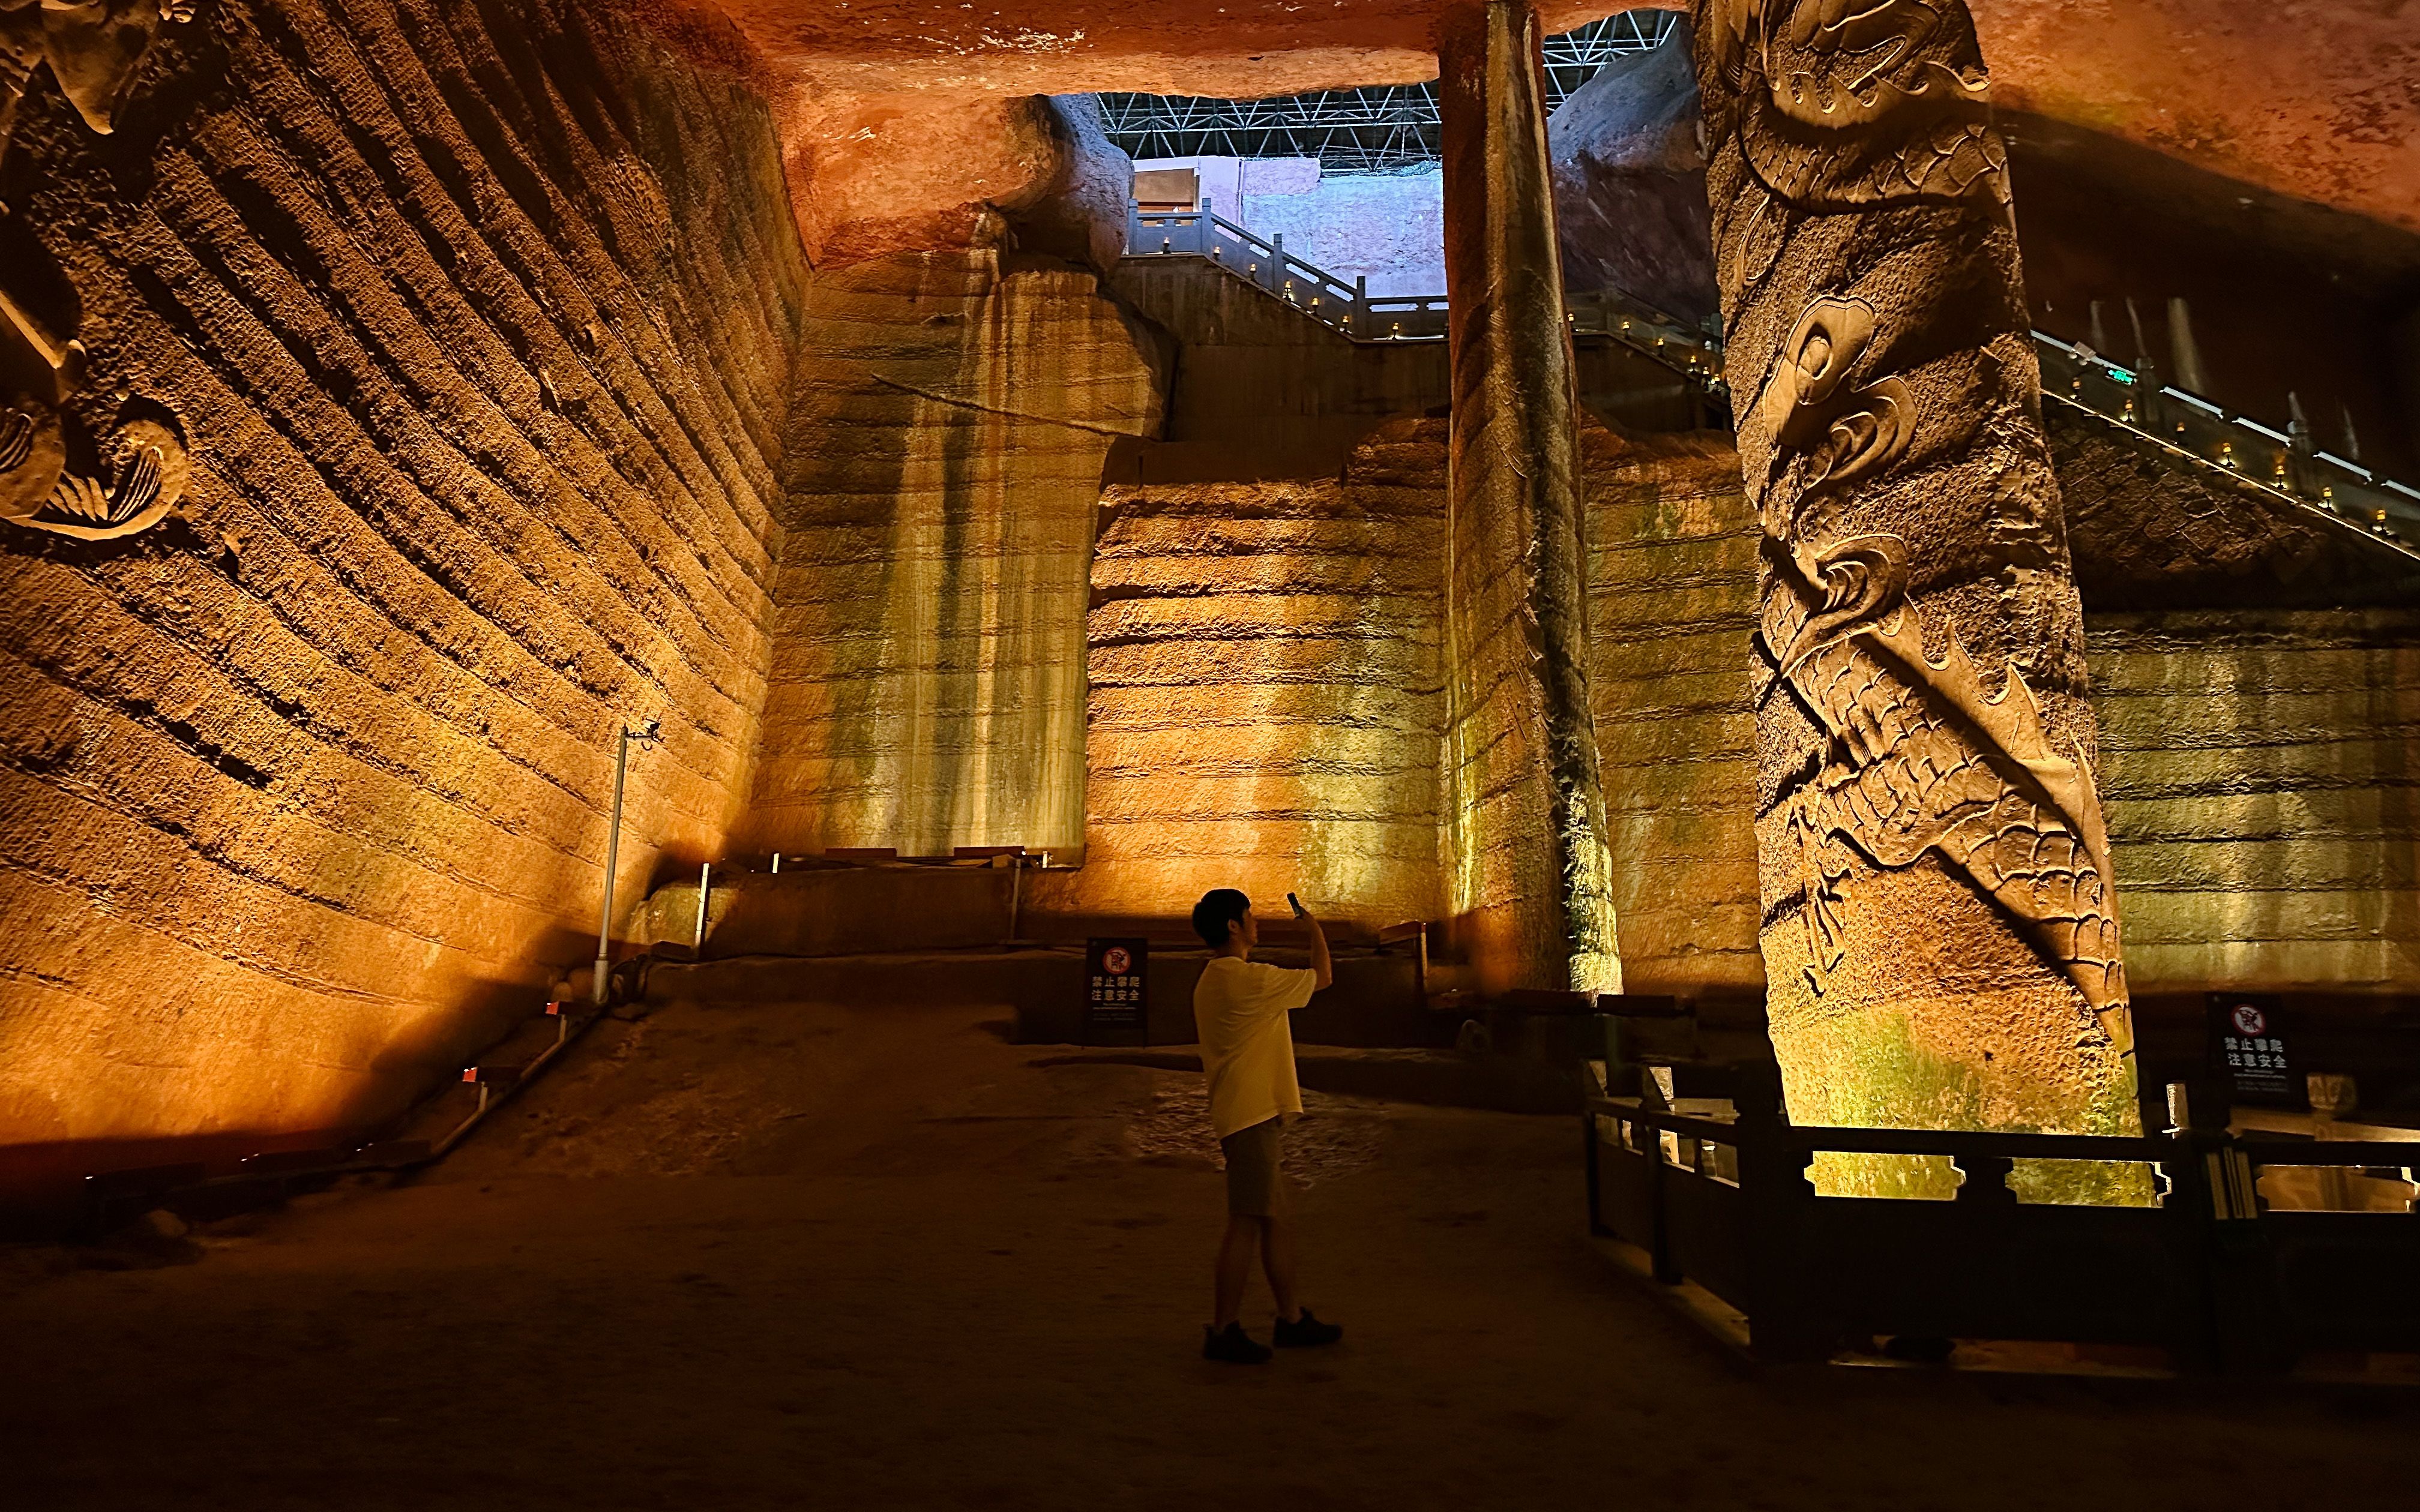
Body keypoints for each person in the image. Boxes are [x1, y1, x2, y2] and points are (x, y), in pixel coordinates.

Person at [1189, 887, 1346, 1364]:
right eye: (1250, 915)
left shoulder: (1214, 980)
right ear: (1234, 926)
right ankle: (1223, 1329)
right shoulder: (1245, 980)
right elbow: (1323, 978)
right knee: (1247, 1222)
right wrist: (1314, 930)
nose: (1256, 922)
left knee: (1274, 1219)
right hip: (1250, 1115)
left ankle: (1291, 1318)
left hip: (1247, 1113)